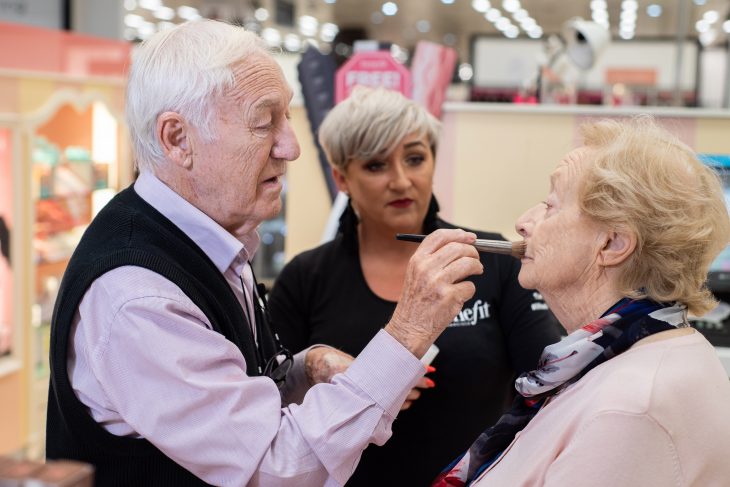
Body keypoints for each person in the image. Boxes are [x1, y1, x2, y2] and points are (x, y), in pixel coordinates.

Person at [45, 20, 484, 487]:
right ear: (178, 139)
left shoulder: (209, 242)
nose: (291, 147)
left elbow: (238, 393)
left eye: (287, 119)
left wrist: (305, 368)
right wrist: (409, 331)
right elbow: (277, 466)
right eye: (264, 123)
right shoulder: (139, 299)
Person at [267, 87, 562, 486]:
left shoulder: (489, 261)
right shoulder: (306, 278)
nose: (401, 180)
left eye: (415, 159)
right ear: (342, 178)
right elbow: (272, 401)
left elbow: (550, 383)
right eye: (375, 165)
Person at [433, 116, 730, 486]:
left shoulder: (629, 408)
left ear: (613, 244)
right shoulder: (613, 359)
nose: (524, 222)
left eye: (551, 204)